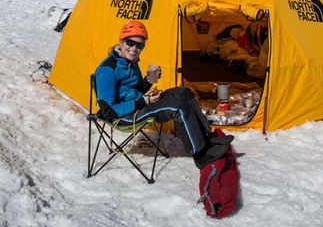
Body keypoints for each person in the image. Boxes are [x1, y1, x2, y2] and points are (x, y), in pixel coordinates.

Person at [94, 20, 233, 169]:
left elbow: (136, 89)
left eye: (139, 45)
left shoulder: (130, 61)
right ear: (121, 41)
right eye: (130, 42)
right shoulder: (107, 70)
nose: (134, 48)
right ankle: (200, 154)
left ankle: (205, 138)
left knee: (183, 92)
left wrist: (148, 80)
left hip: (136, 105)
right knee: (177, 107)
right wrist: (144, 101)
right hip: (123, 117)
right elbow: (109, 112)